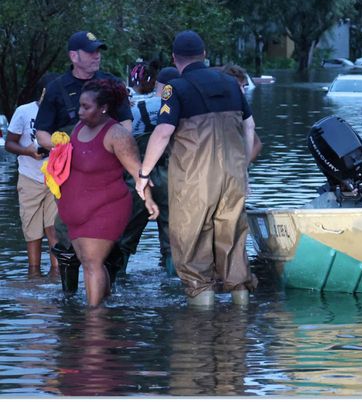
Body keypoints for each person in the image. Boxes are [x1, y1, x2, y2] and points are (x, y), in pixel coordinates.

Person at [136, 30, 258, 308]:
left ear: (174, 59)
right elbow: (249, 126)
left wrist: (144, 174)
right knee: (234, 243)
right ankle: (240, 316)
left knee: (192, 250)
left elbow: (163, 132)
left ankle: (200, 330)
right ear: (204, 55)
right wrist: (244, 168)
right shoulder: (230, 83)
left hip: (194, 180)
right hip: (233, 176)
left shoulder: (175, 88)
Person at [34, 30, 136, 293]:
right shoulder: (56, 88)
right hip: (70, 177)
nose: (97, 56)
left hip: (107, 172)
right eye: (91, 52)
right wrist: (60, 145)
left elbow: (126, 121)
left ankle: (110, 294)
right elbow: (41, 131)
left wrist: (113, 143)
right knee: (66, 239)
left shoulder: (111, 84)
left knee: (113, 242)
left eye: (98, 51)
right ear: (73, 56)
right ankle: (69, 298)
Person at [55, 79, 158, 307]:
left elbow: (137, 172)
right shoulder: (80, 128)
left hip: (106, 209)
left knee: (92, 263)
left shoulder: (117, 135)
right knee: (88, 262)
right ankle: (106, 308)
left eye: (86, 107)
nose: (80, 112)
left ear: (103, 108)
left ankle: (94, 321)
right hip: (77, 211)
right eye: (80, 106)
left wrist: (148, 199)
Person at [6, 82, 58, 278]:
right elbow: (9, 144)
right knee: (32, 232)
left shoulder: (61, 111)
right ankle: (33, 276)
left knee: (55, 229)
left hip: (57, 179)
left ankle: (57, 275)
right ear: (44, 91)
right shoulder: (24, 111)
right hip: (29, 177)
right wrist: (27, 151)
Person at [128, 66, 177, 268]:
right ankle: (174, 286)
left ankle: (115, 282)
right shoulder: (178, 106)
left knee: (127, 233)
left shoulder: (134, 108)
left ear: (157, 84)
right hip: (170, 175)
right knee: (172, 237)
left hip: (137, 174)